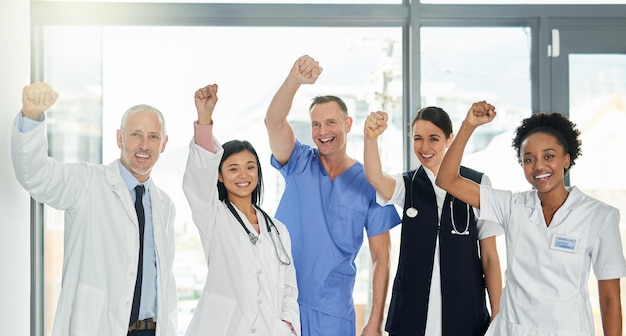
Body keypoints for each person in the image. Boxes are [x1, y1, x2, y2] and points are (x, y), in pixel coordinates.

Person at [435, 102, 626, 336]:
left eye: (549, 156)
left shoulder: (599, 216)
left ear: (566, 160)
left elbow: (609, 298)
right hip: (511, 330)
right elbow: (447, 180)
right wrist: (468, 126)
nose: (539, 166)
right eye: (528, 159)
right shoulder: (512, 206)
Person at [11, 82, 178, 336]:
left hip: (153, 330)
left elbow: (163, 282)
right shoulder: (86, 183)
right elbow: (36, 175)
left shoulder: (165, 205)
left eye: (153, 137)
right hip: (99, 327)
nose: (144, 145)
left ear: (163, 144)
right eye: (135, 134)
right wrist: (32, 116)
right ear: (119, 138)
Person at [264, 55, 401, 336]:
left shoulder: (370, 182)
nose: (322, 132)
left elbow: (381, 257)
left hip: (334, 313)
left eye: (330, 123)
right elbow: (274, 122)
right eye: (316, 125)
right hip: (281, 304)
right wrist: (295, 80)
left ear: (348, 124)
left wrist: (375, 322)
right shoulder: (298, 161)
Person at [363, 107, 503, 336]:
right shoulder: (408, 184)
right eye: (418, 139)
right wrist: (370, 138)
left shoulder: (477, 183)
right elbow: (376, 178)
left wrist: (497, 315)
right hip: (411, 311)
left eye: (433, 139)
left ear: (449, 139)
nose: (424, 147)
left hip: (464, 311)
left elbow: (489, 256)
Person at [182, 84, 299, 336]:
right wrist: (205, 119)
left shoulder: (277, 230)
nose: (243, 175)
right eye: (233, 168)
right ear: (220, 177)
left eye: (250, 167)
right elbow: (198, 180)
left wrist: (287, 327)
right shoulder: (213, 215)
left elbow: (289, 289)